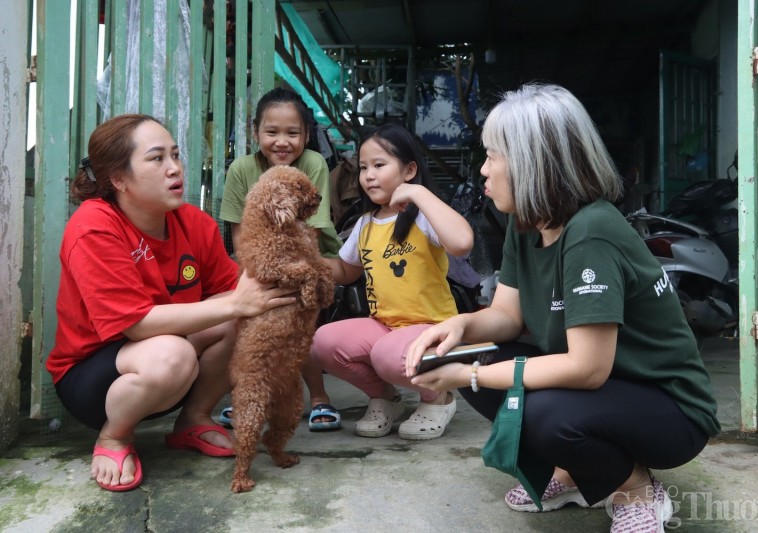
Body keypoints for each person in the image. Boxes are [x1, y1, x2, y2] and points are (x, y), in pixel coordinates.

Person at [405, 84, 720, 531]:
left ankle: (635, 489)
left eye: (493, 156)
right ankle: (573, 473)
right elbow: (508, 317)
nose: (483, 170)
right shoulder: (525, 222)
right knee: (482, 358)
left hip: (668, 409)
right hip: (606, 391)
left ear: (534, 162)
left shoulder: (591, 232)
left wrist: (468, 376)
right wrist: (458, 327)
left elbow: (586, 369)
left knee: (539, 411)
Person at [47, 114, 297, 492]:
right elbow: (135, 325)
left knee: (246, 318)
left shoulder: (194, 223)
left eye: (176, 156)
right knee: (175, 351)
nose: (174, 168)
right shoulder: (94, 225)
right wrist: (236, 304)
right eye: (157, 158)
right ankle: (114, 437)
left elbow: (235, 291)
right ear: (118, 179)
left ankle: (193, 420)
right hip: (95, 379)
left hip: (167, 367)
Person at [311, 122, 474, 440]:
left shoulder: (423, 215)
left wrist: (417, 194)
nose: (368, 175)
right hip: (385, 327)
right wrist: (304, 259)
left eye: (379, 165)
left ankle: (438, 398)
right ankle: (385, 399)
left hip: (433, 329)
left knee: (385, 354)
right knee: (322, 343)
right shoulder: (365, 224)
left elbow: (462, 242)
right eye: (363, 167)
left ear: (410, 169)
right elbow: (346, 272)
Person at [219, 87, 343, 430]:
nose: (282, 142)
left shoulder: (313, 163)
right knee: (249, 323)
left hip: (309, 257)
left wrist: (287, 272)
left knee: (297, 321)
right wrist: (259, 272)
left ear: (306, 134)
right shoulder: (242, 170)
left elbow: (310, 233)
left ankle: (319, 397)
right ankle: (247, 396)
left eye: (293, 133)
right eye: (272, 132)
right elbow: (239, 233)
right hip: (257, 262)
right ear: (254, 130)